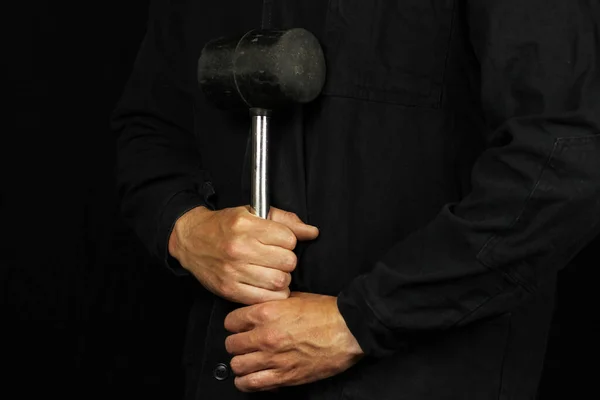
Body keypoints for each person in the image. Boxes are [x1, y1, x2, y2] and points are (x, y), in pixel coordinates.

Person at [111, 0, 600, 398]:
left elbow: (564, 161)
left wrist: (362, 320)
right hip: (233, 368)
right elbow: (150, 127)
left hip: (420, 378)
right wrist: (185, 227)